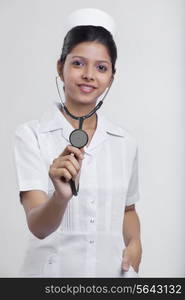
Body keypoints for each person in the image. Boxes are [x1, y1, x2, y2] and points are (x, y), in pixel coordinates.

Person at [14, 8, 142, 278]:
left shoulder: (126, 142)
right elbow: (38, 226)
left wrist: (135, 243)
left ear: (111, 78)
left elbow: (128, 210)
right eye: (78, 63)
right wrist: (61, 197)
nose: (89, 75)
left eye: (101, 67)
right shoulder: (31, 136)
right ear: (60, 67)